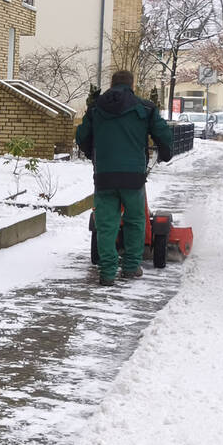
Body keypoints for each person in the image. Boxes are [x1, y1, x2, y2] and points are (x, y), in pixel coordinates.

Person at [75, 70, 173, 287]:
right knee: (135, 220)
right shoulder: (146, 108)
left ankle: (108, 272)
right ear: (132, 85)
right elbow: (164, 134)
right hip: (133, 177)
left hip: (104, 176)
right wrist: (165, 152)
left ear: (111, 84)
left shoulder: (95, 108)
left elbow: (81, 136)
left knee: (107, 224)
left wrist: (92, 151)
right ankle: (130, 267)